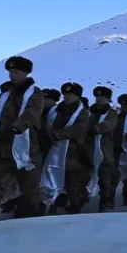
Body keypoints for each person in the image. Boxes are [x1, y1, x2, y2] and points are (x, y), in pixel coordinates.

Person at [0, 56, 45, 221]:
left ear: (25, 73)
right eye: (10, 72)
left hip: (26, 150)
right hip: (3, 148)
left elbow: (32, 113)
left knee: (29, 188)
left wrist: (17, 126)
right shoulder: (5, 94)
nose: (12, 75)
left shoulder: (35, 93)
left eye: (16, 72)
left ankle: (29, 220)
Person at [46, 82, 90, 214]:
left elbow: (78, 129)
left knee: (73, 180)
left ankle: (76, 203)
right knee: (54, 177)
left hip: (74, 151)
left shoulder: (82, 112)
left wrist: (58, 134)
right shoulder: (55, 111)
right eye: (65, 94)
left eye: (70, 94)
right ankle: (55, 202)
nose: (67, 96)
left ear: (77, 96)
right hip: (54, 149)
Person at [86, 86, 119, 211]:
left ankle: (104, 201)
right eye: (97, 97)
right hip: (88, 149)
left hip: (104, 151)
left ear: (108, 99)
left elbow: (110, 124)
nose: (99, 99)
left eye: (102, 97)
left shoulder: (111, 113)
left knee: (105, 180)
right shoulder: (89, 112)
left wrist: (97, 128)